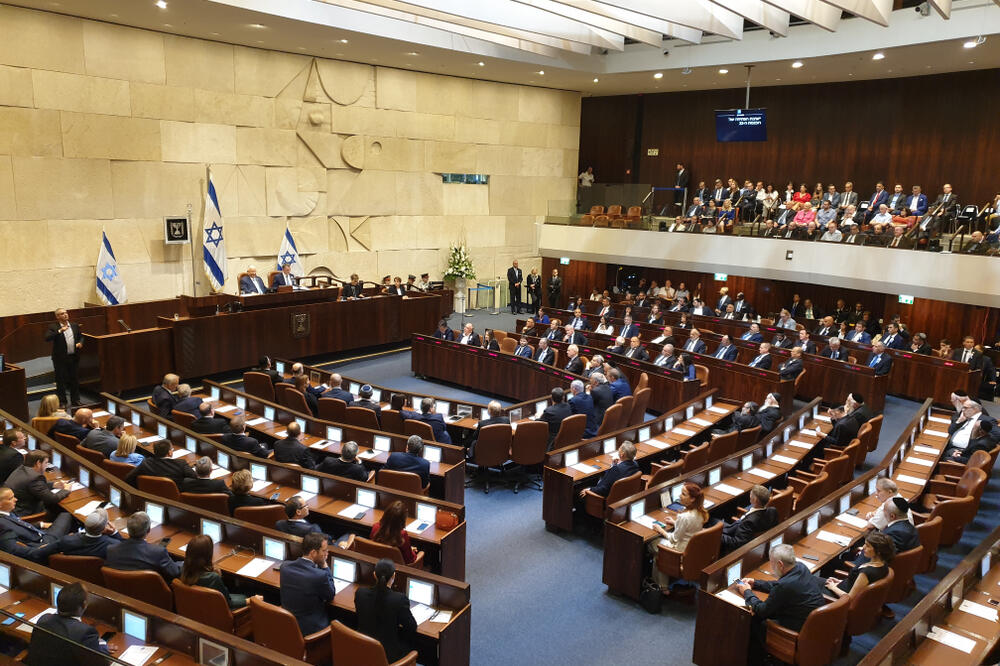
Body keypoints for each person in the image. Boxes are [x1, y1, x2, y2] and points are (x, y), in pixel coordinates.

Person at [736, 544, 827, 665]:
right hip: (813, 626)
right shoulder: (801, 567)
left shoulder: (785, 586)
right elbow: (779, 584)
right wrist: (756, 583)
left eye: (772, 564)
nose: (772, 567)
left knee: (754, 619)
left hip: (797, 631)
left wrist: (746, 592)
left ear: (780, 564)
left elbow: (762, 610)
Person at [26, 582, 110, 666]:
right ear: (84, 605)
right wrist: (102, 644)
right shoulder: (84, 633)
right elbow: (102, 663)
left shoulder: (44, 619)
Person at [355, 558, 417, 663]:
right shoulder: (399, 599)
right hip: (388, 655)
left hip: (364, 647)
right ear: (394, 576)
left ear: (374, 575)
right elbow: (411, 627)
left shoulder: (360, 593)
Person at [648, 482, 710, 588]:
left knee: (652, 544)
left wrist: (661, 530)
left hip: (679, 551)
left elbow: (674, 539)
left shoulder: (684, 516)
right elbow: (689, 528)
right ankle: (663, 585)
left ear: (692, 499)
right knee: (658, 547)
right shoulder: (701, 512)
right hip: (691, 550)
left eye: (683, 494)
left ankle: (661, 587)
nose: (679, 496)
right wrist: (675, 523)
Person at [280, 532, 335, 635]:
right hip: (311, 630)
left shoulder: (285, 567)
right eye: (324, 551)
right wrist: (324, 565)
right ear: (313, 553)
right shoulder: (319, 575)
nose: (327, 553)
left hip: (287, 624)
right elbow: (330, 594)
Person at [105, 511, 181, 581]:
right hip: (150, 593)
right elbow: (175, 572)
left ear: (128, 529)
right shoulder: (158, 552)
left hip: (121, 590)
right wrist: (184, 563)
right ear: (148, 530)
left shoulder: (111, 550)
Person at [181, 534, 246, 609]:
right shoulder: (213, 578)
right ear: (208, 555)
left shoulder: (183, 570)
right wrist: (250, 601)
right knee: (246, 595)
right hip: (216, 612)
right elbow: (229, 603)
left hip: (196, 609)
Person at [827, 532, 895, 601]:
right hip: (841, 587)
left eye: (868, 546)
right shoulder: (883, 565)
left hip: (838, 598)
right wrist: (840, 581)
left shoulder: (866, 572)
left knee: (815, 583)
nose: (863, 548)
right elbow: (857, 584)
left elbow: (850, 597)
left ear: (878, 551)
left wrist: (833, 587)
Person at [6, 450, 70, 519]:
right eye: (46, 463)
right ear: (38, 463)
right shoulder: (35, 478)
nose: (46, 466)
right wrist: (66, 490)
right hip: (27, 513)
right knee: (65, 514)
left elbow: (31, 484)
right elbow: (52, 499)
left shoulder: (21, 469)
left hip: (15, 509)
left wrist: (54, 484)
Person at [45, 308, 83, 408]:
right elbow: (47, 338)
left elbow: (81, 336)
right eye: (62, 314)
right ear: (57, 317)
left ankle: (76, 400)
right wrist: (60, 331)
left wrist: (80, 343)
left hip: (73, 357)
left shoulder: (74, 325)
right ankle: (62, 402)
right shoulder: (53, 327)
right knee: (60, 380)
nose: (65, 315)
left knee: (74, 379)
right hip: (60, 359)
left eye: (66, 313)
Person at [722, 485, 778, 553]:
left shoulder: (749, 522)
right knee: (714, 520)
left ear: (755, 500)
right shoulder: (773, 511)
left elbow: (736, 543)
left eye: (751, 494)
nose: (749, 495)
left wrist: (717, 536)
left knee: (712, 522)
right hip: (735, 526)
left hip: (731, 535)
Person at [124, 439, 196, 487]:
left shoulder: (146, 462)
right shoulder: (181, 464)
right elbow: (196, 477)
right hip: (174, 497)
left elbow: (128, 478)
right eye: (172, 449)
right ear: (169, 453)